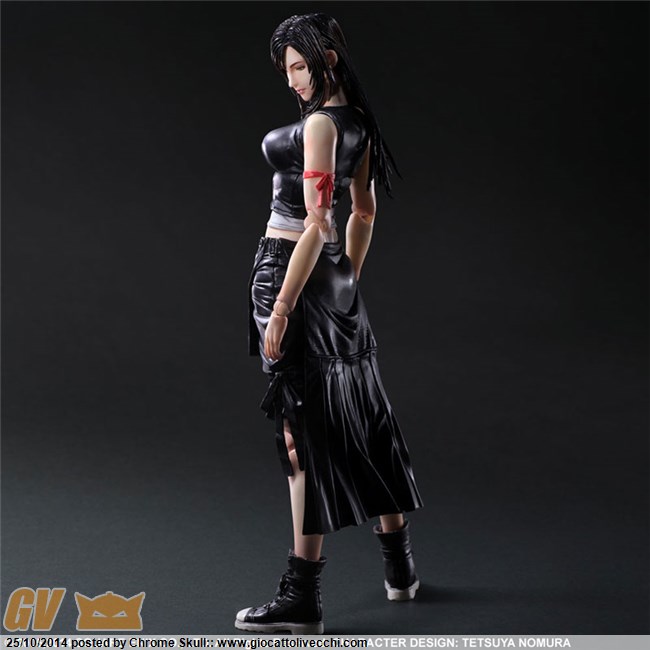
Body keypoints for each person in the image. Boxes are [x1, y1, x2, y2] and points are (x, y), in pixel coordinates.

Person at [238, 13, 424, 634]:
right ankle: (399, 568)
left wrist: (284, 305)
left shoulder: (321, 124)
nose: (293, 80)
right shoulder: (359, 123)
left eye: (300, 66)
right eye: (286, 70)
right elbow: (361, 213)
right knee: (366, 414)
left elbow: (317, 222)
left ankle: (302, 595)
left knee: (300, 435)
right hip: (334, 277)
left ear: (329, 60)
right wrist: (347, 277)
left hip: (290, 269)